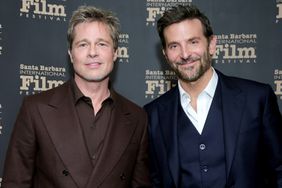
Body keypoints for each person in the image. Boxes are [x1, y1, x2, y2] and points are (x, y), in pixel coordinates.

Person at [2, 5, 150, 188]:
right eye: (83, 44)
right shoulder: (35, 109)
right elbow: (15, 183)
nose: (93, 52)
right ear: (71, 55)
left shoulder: (137, 118)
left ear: (115, 53)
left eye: (102, 44)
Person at [144, 4, 282, 188]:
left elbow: (279, 170)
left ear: (211, 44)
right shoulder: (152, 115)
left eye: (193, 42)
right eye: (174, 46)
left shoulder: (257, 99)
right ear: (165, 54)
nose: (185, 54)